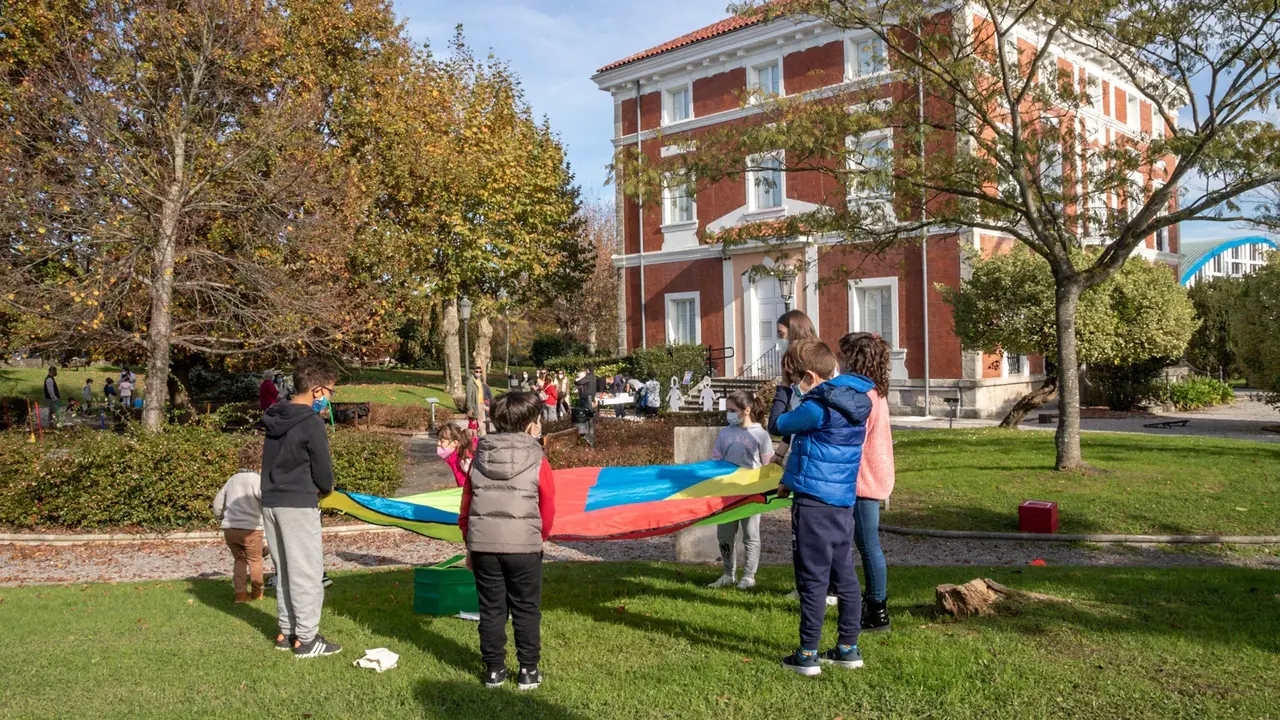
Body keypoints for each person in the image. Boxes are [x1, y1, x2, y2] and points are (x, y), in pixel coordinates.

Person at [773, 339, 874, 676]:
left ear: (811, 377)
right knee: (845, 575)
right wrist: (791, 477)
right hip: (842, 503)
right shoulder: (857, 401)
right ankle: (848, 648)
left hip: (813, 507)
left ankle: (807, 654)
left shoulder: (817, 405)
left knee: (812, 580)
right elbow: (816, 448)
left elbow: (778, 425)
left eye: (800, 378)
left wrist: (784, 389)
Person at [459, 391, 556, 690]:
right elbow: (548, 505)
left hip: (484, 545)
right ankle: (528, 670)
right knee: (526, 608)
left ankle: (494, 671)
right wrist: (539, 537)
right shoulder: (539, 460)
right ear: (531, 425)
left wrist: (470, 542)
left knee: (491, 609)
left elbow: (466, 506)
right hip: (524, 546)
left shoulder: (477, 459)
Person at [260, 356, 342, 659]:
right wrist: (326, 490)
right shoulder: (311, 423)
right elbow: (323, 472)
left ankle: (287, 630)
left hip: (270, 500)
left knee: (284, 569)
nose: (330, 400)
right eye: (331, 393)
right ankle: (307, 639)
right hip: (297, 502)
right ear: (318, 391)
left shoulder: (273, 416)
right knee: (306, 571)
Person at [837, 332, 896, 632]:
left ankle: (877, 610)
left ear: (854, 358)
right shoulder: (876, 391)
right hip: (872, 474)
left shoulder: (863, 397)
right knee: (862, 543)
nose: (839, 360)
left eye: (843, 355)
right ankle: (868, 602)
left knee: (868, 544)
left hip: (863, 478)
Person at [708, 390, 774, 590]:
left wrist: (764, 489)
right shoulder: (725, 433)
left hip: (751, 495)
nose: (727, 414)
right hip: (727, 493)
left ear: (746, 411)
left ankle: (749, 576)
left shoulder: (761, 435)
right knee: (725, 535)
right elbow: (716, 461)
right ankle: (728, 574)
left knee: (751, 535)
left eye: (731, 410)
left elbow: (768, 466)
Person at [213, 444, 268, 602]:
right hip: (251, 530)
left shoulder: (232, 480)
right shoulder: (257, 481)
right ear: (259, 464)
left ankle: (240, 594)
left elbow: (217, 503)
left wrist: (221, 517)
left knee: (239, 559)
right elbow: (266, 502)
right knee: (255, 560)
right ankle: (257, 593)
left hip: (230, 529)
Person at [437, 423, 476, 487]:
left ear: (455, 443)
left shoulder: (465, 460)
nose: (438, 443)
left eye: (442, 441)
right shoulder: (458, 455)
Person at [572, 365, 598, 448]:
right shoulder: (594, 377)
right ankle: (590, 439)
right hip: (590, 399)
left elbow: (578, 382)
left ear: (587, 370)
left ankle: (589, 440)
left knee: (586, 419)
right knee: (589, 418)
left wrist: (575, 381)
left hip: (586, 399)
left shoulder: (589, 377)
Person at [466, 365, 488, 438]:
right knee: (475, 422)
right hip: (475, 404)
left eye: (480, 372)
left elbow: (481, 393)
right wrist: (470, 408)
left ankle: (484, 437)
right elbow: (468, 395)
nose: (478, 373)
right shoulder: (471, 381)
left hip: (481, 403)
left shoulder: (480, 380)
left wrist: (484, 405)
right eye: (477, 371)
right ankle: (474, 439)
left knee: (482, 422)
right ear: (473, 372)